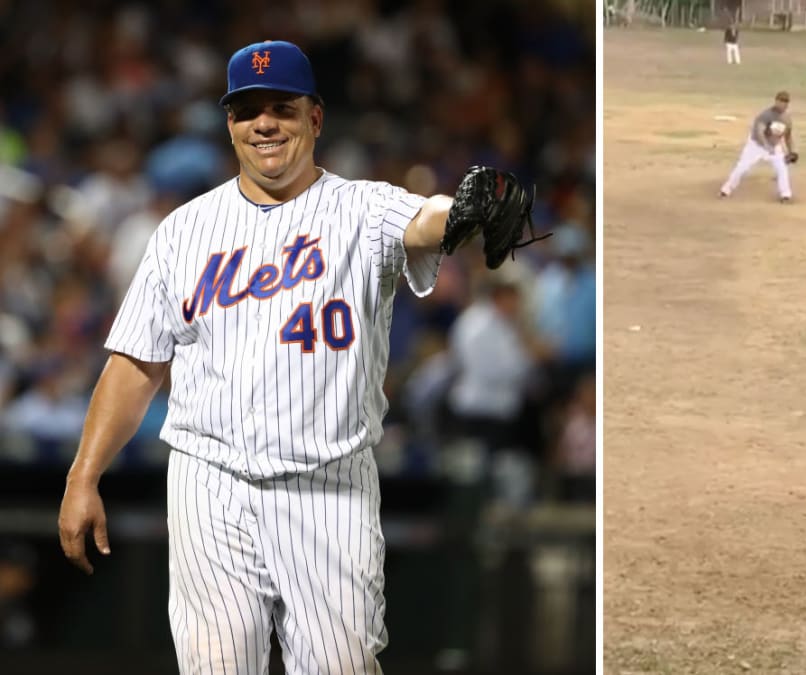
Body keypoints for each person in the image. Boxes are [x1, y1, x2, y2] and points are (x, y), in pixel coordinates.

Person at [56, 39, 544, 674]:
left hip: (329, 487)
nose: (264, 124)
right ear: (229, 124)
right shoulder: (182, 231)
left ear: (314, 118)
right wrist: (82, 476)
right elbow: (136, 364)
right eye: (247, 110)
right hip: (211, 483)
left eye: (282, 108)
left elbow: (427, 220)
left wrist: (467, 212)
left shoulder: (362, 209)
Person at [719, 91, 796, 203]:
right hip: (756, 146)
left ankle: (785, 195)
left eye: (785, 102)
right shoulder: (766, 115)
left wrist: (791, 151)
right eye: (781, 102)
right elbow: (759, 132)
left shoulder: (787, 119)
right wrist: (766, 145)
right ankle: (726, 190)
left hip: (774, 146)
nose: (783, 105)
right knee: (742, 167)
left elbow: (788, 137)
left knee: (782, 169)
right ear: (776, 101)